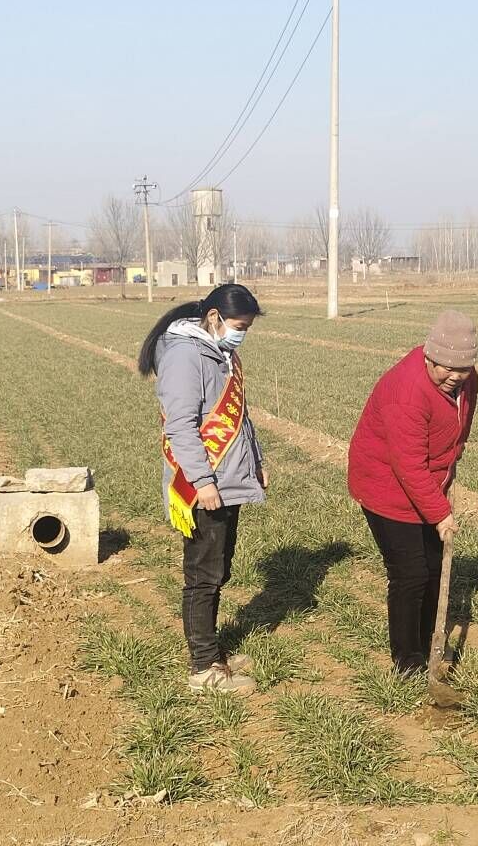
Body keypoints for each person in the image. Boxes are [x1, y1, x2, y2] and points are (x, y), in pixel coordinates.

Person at [137, 283, 270, 694]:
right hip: (204, 487)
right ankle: (203, 667)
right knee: (202, 576)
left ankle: (212, 651)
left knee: (218, 569)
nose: (242, 334)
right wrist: (203, 482)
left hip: (226, 480)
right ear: (214, 317)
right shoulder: (184, 356)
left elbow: (240, 418)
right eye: (239, 326)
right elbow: (180, 426)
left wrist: (257, 462)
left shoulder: (221, 353)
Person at [347, 311, 478, 673]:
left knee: (434, 567)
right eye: (446, 368)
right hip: (385, 486)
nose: (455, 376)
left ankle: (429, 643)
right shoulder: (406, 391)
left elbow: (462, 424)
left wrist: (452, 462)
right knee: (410, 573)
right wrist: (441, 514)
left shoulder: (467, 379)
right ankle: (407, 660)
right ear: (429, 356)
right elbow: (408, 466)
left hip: (425, 483)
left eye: (463, 369)